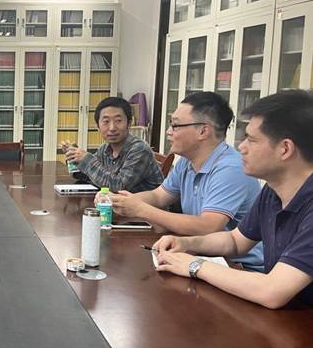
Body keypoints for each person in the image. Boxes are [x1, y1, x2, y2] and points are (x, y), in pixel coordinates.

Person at [154, 90, 313, 308]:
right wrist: (186, 243)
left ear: (285, 149)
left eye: (251, 140)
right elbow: (235, 241)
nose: (241, 147)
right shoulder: (273, 191)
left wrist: (195, 265)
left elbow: (272, 291)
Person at [108, 91, 263, 270]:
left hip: (240, 267)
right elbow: (158, 196)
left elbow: (208, 226)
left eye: (175, 125)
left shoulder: (231, 168)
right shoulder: (187, 161)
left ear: (203, 131)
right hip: (200, 255)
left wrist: (141, 210)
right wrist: (119, 201)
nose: (168, 131)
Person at [63, 96, 163, 193]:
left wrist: (87, 159)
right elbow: (90, 176)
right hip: (116, 202)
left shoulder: (139, 150)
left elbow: (118, 187)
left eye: (118, 121)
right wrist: (74, 156)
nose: (112, 128)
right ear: (98, 127)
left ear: (129, 124)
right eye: (106, 121)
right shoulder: (105, 149)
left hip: (146, 204)